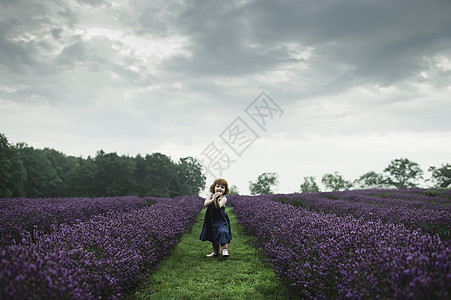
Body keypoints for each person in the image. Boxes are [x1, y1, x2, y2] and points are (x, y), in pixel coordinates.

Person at [199, 178, 232, 257]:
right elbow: (206, 204)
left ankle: (224, 249)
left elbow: (218, 207)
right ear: (214, 188)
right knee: (212, 233)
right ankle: (215, 252)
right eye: (218, 186)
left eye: (222, 187)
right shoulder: (210, 195)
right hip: (211, 218)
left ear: (225, 190)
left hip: (220, 218)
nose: (220, 188)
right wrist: (213, 199)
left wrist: (216, 200)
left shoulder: (224, 198)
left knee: (222, 231)